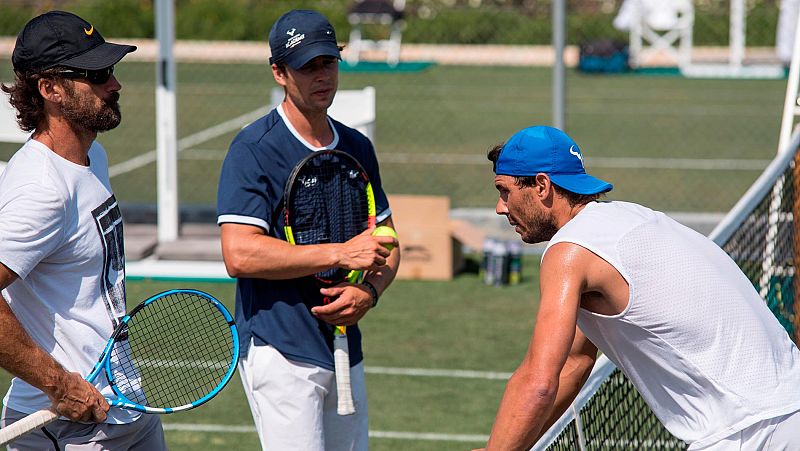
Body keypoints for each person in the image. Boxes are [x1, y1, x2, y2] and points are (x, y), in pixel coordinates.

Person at [477, 125, 800, 451]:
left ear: (542, 185)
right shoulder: (630, 219)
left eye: (504, 191)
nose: (500, 207)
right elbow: (573, 364)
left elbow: (539, 381)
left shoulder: (569, 251)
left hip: (748, 431)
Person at [216, 9, 399, 451]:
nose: (322, 76)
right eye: (307, 67)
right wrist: (340, 254)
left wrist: (369, 292)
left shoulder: (357, 146)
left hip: (345, 349)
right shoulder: (254, 150)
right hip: (280, 352)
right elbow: (240, 255)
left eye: (328, 62)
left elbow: (388, 243)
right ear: (280, 73)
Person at [0, 10, 167, 451]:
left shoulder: (95, 157)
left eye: (110, 70)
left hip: (125, 407)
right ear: (50, 89)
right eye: (95, 74)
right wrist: (57, 385)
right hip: (66, 427)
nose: (113, 84)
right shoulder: (41, 190)